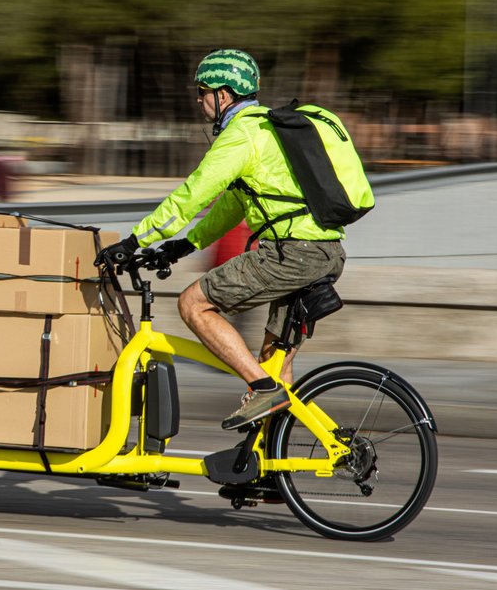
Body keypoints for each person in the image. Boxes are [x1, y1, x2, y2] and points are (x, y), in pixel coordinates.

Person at [95, 48, 350, 431]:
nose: (199, 101)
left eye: (203, 92)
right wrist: (186, 244)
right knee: (274, 360)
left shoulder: (242, 134)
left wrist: (135, 241)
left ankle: (263, 389)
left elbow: (193, 193)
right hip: (324, 252)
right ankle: (271, 471)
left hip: (292, 254)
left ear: (224, 94)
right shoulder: (267, 129)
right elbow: (233, 202)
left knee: (193, 304)